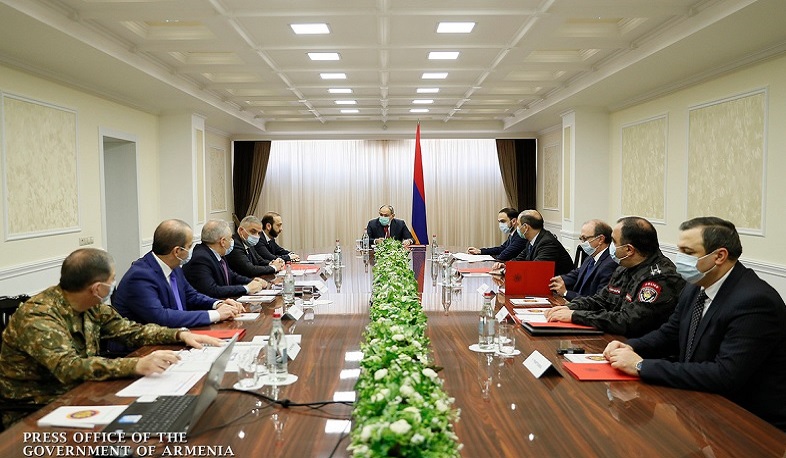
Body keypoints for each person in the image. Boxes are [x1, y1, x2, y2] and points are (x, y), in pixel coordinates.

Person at [0, 248, 223, 428]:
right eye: (112, 280)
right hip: (37, 411)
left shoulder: (91, 306)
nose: (114, 285)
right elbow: (67, 367)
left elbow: (130, 331)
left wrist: (180, 334)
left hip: (85, 395)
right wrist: (136, 364)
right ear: (97, 288)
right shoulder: (39, 315)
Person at [604, 217, 786, 431]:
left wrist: (641, 366)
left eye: (688, 252)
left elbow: (725, 374)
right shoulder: (695, 287)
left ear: (719, 256)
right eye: (679, 250)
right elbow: (670, 333)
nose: (680, 259)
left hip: (749, 423)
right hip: (699, 409)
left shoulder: (754, 301)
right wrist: (632, 346)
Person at [544, 216, 686, 337]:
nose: (609, 246)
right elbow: (602, 299)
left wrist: (576, 316)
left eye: (613, 242)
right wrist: (571, 308)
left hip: (640, 349)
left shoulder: (660, 277)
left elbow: (628, 321)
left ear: (629, 249)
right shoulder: (624, 267)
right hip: (614, 339)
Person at [113, 219, 244, 328]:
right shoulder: (140, 276)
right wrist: (216, 314)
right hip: (141, 350)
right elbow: (161, 317)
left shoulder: (174, 266)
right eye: (189, 247)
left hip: (176, 335)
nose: (192, 251)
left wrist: (218, 304)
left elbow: (191, 295)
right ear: (177, 251)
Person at [182, 219, 268, 298]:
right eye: (230, 238)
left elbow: (231, 275)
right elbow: (212, 290)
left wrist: (251, 281)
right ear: (223, 241)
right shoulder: (201, 258)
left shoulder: (217, 254)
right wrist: (246, 288)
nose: (232, 241)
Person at [549, 219, 616, 300]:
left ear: (600, 239)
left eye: (585, 238)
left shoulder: (610, 264)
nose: (582, 243)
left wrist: (566, 293)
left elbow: (598, 300)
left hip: (587, 308)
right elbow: (577, 274)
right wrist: (557, 280)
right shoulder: (591, 256)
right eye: (581, 239)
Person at [502, 210, 574, 275]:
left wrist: (508, 270)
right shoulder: (532, 239)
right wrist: (506, 265)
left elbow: (535, 269)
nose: (517, 227)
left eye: (518, 224)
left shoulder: (547, 243)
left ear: (525, 227)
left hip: (559, 286)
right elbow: (519, 259)